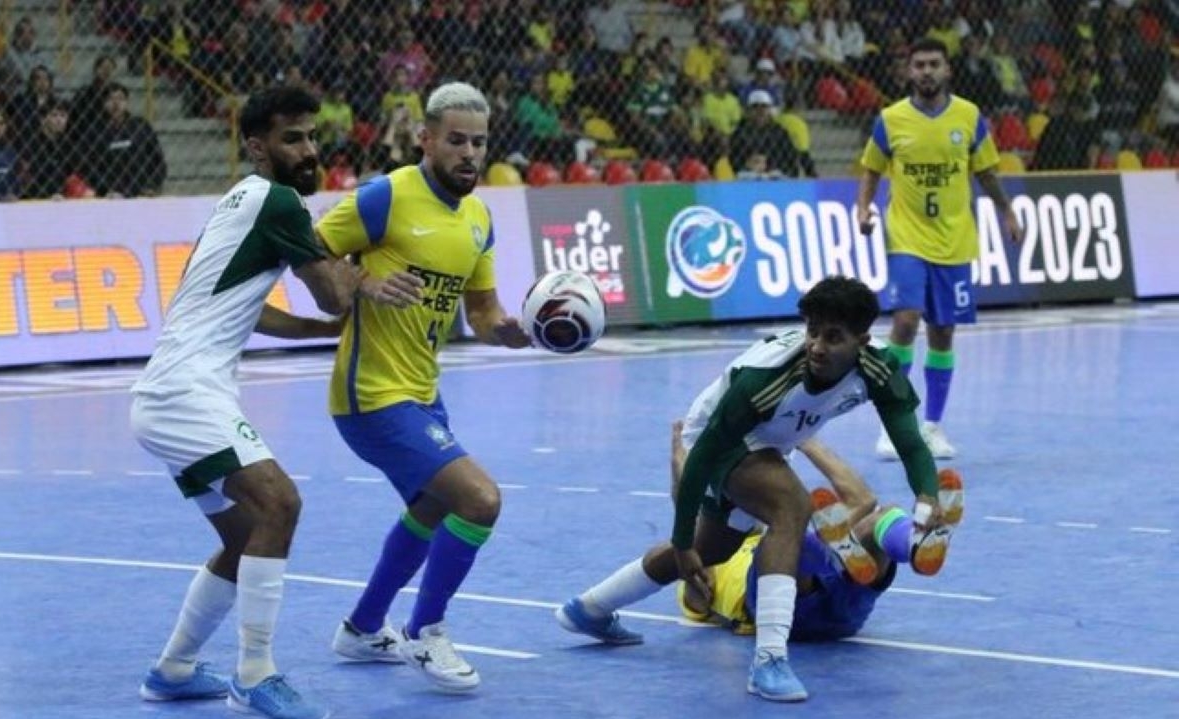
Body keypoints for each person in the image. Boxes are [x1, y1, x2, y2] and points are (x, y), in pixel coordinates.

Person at [556, 276, 946, 703]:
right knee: (790, 508)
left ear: (862, 340)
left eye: (833, 337)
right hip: (716, 434)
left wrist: (927, 497)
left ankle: (588, 608)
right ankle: (769, 661)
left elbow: (910, 443)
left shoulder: (879, 369)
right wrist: (681, 540)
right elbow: (703, 456)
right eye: (813, 332)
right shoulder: (767, 378)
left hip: (773, 442)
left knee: (713, 550)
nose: (817, 346)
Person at [129, 86, 373, 719]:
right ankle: (254, 675)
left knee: (243, 537)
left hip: (169, 394)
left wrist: (316, 333)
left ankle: (173, 670)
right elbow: (334, 296)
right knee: (280, 504)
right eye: (293, 139)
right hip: (185, 394)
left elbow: (251, 308)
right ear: (258, 148)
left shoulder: (240, 199)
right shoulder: (281, 202)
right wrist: (363, 273)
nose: (309, 150)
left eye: (313, 136)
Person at [313, 81, 532, 694]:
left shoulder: (479, 218)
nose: (469, 153)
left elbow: (481, 311)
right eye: (456, 140)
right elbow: (309, 247)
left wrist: (506, 331)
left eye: (479, 142)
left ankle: (362, 628)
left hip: (422, 393)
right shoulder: (386, 196)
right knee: (479, 500)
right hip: (370, 396)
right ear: (426, 139)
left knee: (433, 507)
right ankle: (425, 630)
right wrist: (361, 282)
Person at [855, 37, 1022, 461]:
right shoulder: (891, 119)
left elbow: (986, 173)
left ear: (947, 69)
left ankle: (932, 426)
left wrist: (1007, 212)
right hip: (906, 236)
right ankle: (894, 425)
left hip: (954, 240)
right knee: (906, 320)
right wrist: (863, 208)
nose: (927, 71)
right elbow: (871, 170)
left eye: (934, 64)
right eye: (919, 64)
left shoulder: (969, 117)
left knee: (943, 331)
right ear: (908, 71)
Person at [667, 425, 965, 641]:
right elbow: (696, 593)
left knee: (882, 516)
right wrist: (682, 465)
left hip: (845, 609)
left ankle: (917, 544)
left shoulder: (772, 530)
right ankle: (838, 554)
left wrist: (803, 437)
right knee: (790, 544)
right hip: (787, 614)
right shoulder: (708, 553)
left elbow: (864, 499)